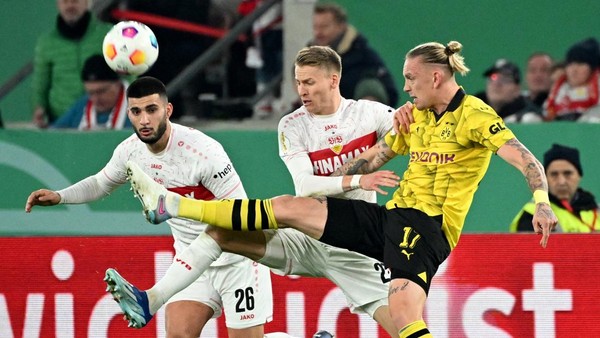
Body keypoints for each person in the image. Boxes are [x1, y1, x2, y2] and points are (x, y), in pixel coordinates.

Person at [120, 41, 558, 337]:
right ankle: (170, 222)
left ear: (437, 78)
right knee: (276, 212)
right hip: (372, 222)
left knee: (404, 316)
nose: (405, 87)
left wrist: (541, 202)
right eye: (298, 82)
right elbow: (371, 160)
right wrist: (355, 172)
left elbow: (524, 157)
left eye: (411, 78)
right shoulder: (407, 117)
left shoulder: (468, 116)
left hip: (417, 231)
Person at [103, 46, 400, 336]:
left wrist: (417, 114)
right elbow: (305, 186)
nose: (302, 90)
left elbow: (411, 129)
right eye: (298, 82)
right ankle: (150, 299)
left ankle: (175, 205)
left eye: (309, 82)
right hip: (306, 238)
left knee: (404, 327)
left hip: (355, 250)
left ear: (333, 80)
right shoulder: (292, 125)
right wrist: (357, 180)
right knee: (222, 231)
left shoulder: (370, 115)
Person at [25, 77, 273, 338]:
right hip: (191, 265)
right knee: (178, 335)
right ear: (128, 114)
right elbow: (101, 183)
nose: (144, 120)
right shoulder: (130, 152)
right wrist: (59, 196)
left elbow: (242, 212)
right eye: (136, 111)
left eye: (151, 110)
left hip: (237, 261)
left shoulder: (204, 153)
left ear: (167, 110)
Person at [32, 0, 112, 128]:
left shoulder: (108, 35)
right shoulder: (46, 42)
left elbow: (126, 74)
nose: (69, 6)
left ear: (87, 3)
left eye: (75, 1)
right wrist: (38, 108)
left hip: (105, 121)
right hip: (62, 123)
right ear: (58, 4)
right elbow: (40, 84)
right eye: (64, 1)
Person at [310, 2, 398, 106]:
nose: (318, 33)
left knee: (370, 86)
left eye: (324, 27)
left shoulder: (364, 56)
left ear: (341, 26)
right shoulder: (307, 57)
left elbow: (390, 91)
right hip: (318, 117)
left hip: (354, 118)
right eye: (316, 27)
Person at [510, 143, 599, 232]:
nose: (561, 181)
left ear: (579, 176)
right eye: (554, 174)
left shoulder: (596, 210)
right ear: (545, 178)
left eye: (568, 173)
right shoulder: (533, 215)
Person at [51, 54, 131, 130]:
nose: (96, 99)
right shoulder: (82, 105)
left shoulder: (138, 106)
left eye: (101, 91)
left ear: (118, 84)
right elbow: (54, 134)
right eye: (90, 93)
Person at [544, 37, 600, 122]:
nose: (574, 70)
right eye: (570, 64)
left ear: (592, 69)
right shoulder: (560, 88)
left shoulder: (597, 85)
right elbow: (548, 113)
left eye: (580, 64)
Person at [475, 58, 542, 123]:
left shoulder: (527, 118)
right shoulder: (472, 108)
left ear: (517, 89)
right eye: (493, 78)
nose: (497, 84)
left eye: (505, 79)